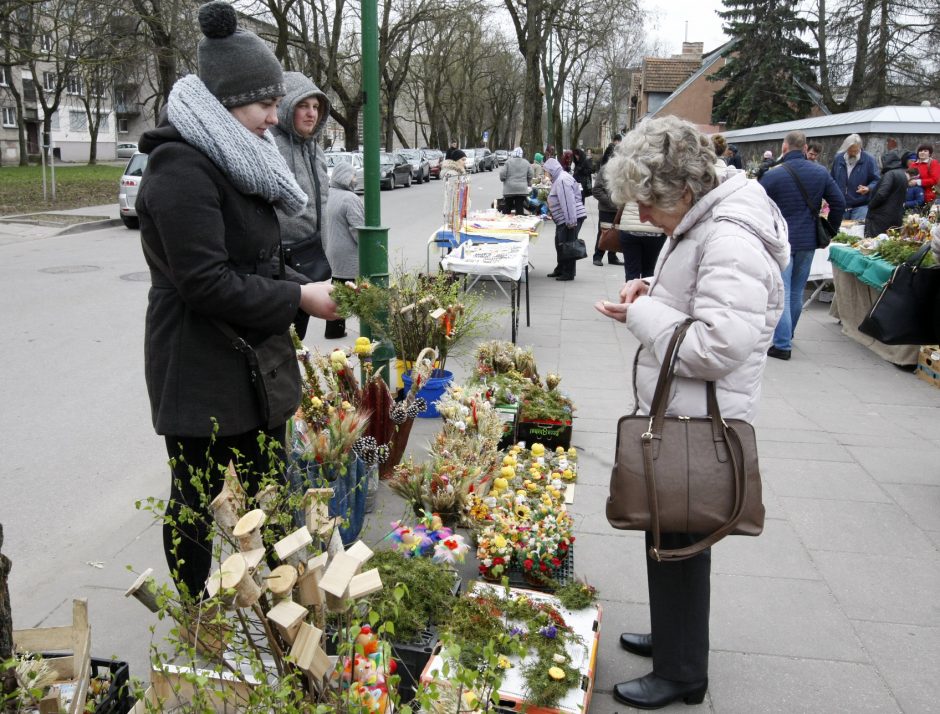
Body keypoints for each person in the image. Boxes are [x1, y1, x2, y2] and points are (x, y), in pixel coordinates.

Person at [136, 0, 338, 598]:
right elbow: (205, 282)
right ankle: (199, 612)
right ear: (226, 103)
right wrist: (298, 295)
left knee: (270, 494)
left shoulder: (240, 159)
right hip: (198, 363)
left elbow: (258, 255)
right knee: (195, 501)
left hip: (254, 358)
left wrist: (305, 288)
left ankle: (286, 615)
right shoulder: (180, 167)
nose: (274, 117)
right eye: (265, 104)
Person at [595, 115, 787, 710]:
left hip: (695, 419)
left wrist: (644, 317)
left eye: (648, 206)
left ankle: (682, 672)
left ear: (683, 191)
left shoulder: (728, 233)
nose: (643, 219)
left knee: (677, 536)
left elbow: (716, 345)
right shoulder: (709, 219)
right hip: (685, 413)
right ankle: (676, 640)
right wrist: (651, 288)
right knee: (669, 533)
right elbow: (703, 292)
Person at [271, 72, 344, 339]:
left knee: (296, 340)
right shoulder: (271, 147)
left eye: (316, 107)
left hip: (312, 257)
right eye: (303, 105)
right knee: (280, 342)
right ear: (286, 105)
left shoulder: (315, 149)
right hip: (280, 265)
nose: (311, 113)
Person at [759, 130, 844, 360]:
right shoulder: (820, 172)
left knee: (783, 292)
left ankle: (782, 344)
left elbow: (757, 207)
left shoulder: (773, 175)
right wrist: (831, 229)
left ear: (784, 148)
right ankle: (788, 335)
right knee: (796, 291)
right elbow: (839, 202)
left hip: (781, 240)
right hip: (807, 239)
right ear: (805, 148)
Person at [544, 156, 586, 282]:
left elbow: (568, 202)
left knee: (567, 244)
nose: (545, 174)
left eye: (545, 171)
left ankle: (568, 272)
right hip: (566, 217)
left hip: (570, 217)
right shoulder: (559, 178)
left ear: (551, 170)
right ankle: (561, 268)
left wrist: (571, 221)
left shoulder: (562, 180)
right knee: (560, 242)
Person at [325, 161, 365, 286]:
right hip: (350, 262)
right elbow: (359, 232)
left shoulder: (327, 194)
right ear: (344, 177)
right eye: (353, 176)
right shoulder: (350, 198)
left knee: (337, 298)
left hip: (331, 258)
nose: (355, 179)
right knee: (353, 298)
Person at [830, 133, 880, 220]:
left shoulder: (869, 160)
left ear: (860, 148)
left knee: (857, 231)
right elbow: (831, 179)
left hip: (860, 205)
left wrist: (868, 188)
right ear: (846, 148)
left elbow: (877, 180)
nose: (853, 153)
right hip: (840, 205)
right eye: (850, 150)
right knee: (839, 232)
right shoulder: (838, 158)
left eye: (855, 151)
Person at [591, 142, 623, 266]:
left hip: (619, 208)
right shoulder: (605, 169)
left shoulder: (623, 170)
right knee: (603, 231)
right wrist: (610, 202)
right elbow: (597, 190)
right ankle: (597, 256)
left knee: (616, 232)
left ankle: (612, 256)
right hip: (606, 208)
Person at [864, 151, 909, 237]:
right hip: (896, 215)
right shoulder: (902, 173)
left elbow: (881, 194)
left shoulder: (890, 174)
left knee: (876, 243)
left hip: (881, 217)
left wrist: (870, 205)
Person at [499, 147, 533, 215]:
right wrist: (527, 181)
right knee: (519, 207)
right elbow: (530, 174)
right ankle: (519, 222)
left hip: (509, 189)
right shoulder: (526, 163)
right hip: (522, 189)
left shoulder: (508, 162)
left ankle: (505, 222)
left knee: (507, 207)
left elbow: (502, 174)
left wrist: (503, 180)